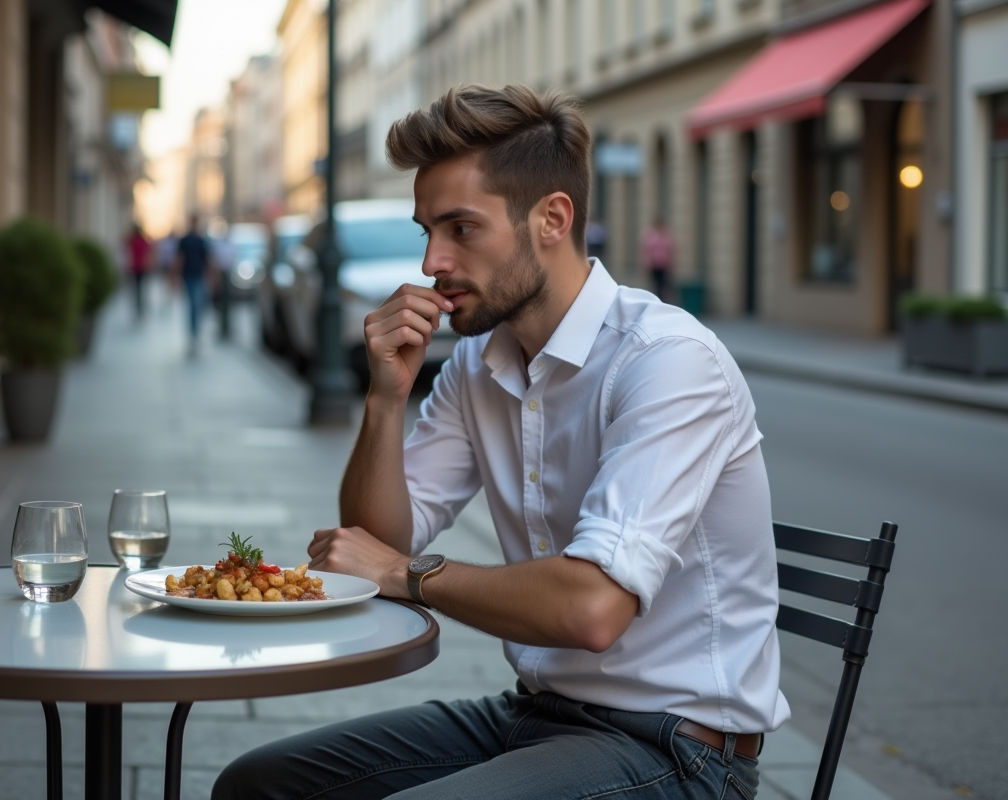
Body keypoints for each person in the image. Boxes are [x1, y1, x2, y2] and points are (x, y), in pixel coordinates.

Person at [212, 85, 787, 800]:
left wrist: (407, 573)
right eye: (427, 231)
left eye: (461, 229)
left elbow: (589, 609)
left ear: (551, 218)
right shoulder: (478, 364)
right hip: (537, 715)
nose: (431, 264)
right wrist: (385, 398)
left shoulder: (668, 361)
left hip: (681, 750)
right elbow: (375, 539)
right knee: (259, 785)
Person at [174, 214, 211, 354]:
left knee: (196, 305)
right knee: (193, 305)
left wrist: (210, 277)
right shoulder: (185, 240)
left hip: (198, 276)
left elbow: (207, 259)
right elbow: (179, 259)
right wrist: (175, 277)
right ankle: (193, 335)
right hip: (189, 276)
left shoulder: (201, 240)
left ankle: (194, 334)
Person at [640, 215, 675, 302]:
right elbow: (646, 250)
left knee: (664, 285)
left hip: (664, 265)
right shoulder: (650, 235)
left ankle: (663, 301)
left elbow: (671, 250)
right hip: (653, 265)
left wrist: (672, 263)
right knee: (655, 284)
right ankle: (656, 300)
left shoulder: (666, 235)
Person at [125, 224, 152, 321]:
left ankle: (140, 309)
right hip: (138, 268)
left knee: (139, 289)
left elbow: (147, 253)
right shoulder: (135, 241)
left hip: (140, 268)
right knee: (139, 289)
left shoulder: (136, 241)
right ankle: (139, 309)